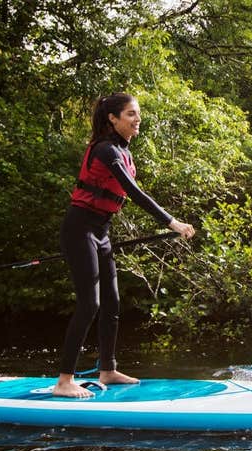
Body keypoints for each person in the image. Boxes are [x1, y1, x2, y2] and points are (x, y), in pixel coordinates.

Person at [54, 93, 196, 398]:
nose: (137, 119)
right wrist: (173, 222)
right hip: (79, 230)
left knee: (112, 302)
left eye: (138, 113)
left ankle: (108, 369)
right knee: (89, 304)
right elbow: (134, 193)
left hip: (101, 232)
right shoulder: (106, 150)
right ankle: (64, 380)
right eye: (130, 114)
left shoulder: (121, 149)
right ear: (113, 119)